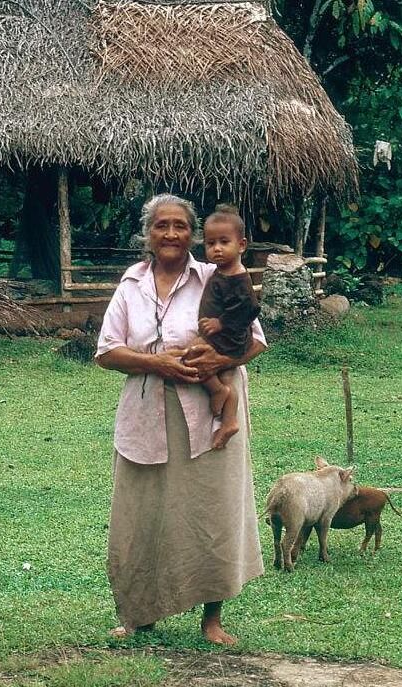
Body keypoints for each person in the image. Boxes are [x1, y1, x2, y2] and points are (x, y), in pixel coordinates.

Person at [95, 193, 266, 645]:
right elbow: (107, 351)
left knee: (211, 510)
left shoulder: (217, 274)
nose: (171, 234)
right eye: (161, 226)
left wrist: (214, 362)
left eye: (180, 226)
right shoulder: (131, 283)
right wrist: (158, 364)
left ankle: (212, 618)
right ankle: (139, 615)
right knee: (141, 514)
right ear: (147, 234)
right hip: (148, 409)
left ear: (193, 234)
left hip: (210, 410)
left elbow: (256, 339)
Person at [186, 205, 259, 450]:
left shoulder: (239, 277)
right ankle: (229, 420)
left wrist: (221, 322)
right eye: (210, 243)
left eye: (224, 242)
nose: (216, 249)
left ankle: (217, 391)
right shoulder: (221, 271)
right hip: (223, 335)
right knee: (207, 363)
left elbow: (249, 309)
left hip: (229, 337)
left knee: (193, 352)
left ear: (241, 245)